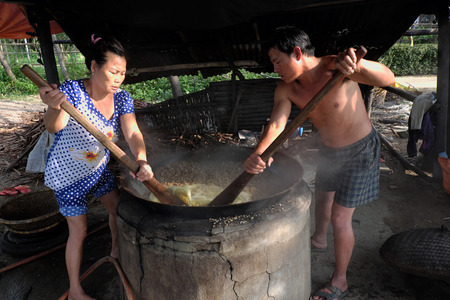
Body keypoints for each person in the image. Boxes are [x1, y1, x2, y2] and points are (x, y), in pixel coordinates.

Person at [243, 26, 394, 300]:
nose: (275, 69)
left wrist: (359, 64)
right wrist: (260, 153)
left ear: (297, 53)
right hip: (329, 149)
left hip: (360, 149)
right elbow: (277, 124)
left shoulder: (336, 66)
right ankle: (319, 240)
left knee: (339, 216)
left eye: (277, 61)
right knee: (322, 199)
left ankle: (340, 280)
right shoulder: (287, 88)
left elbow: (388, 78)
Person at [39, 34, 153, 300]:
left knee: (117, 209)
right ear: (94, 67)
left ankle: (115, 250)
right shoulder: (71, 92)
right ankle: (76, 290)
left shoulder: (123, 98)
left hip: (97, 170)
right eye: (113, 71)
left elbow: (133, 132)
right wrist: (54, 108)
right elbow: (54, 127)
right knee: (79, 231)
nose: (118, 78)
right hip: (67, 174)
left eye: (122, 73)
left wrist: (142, 159)